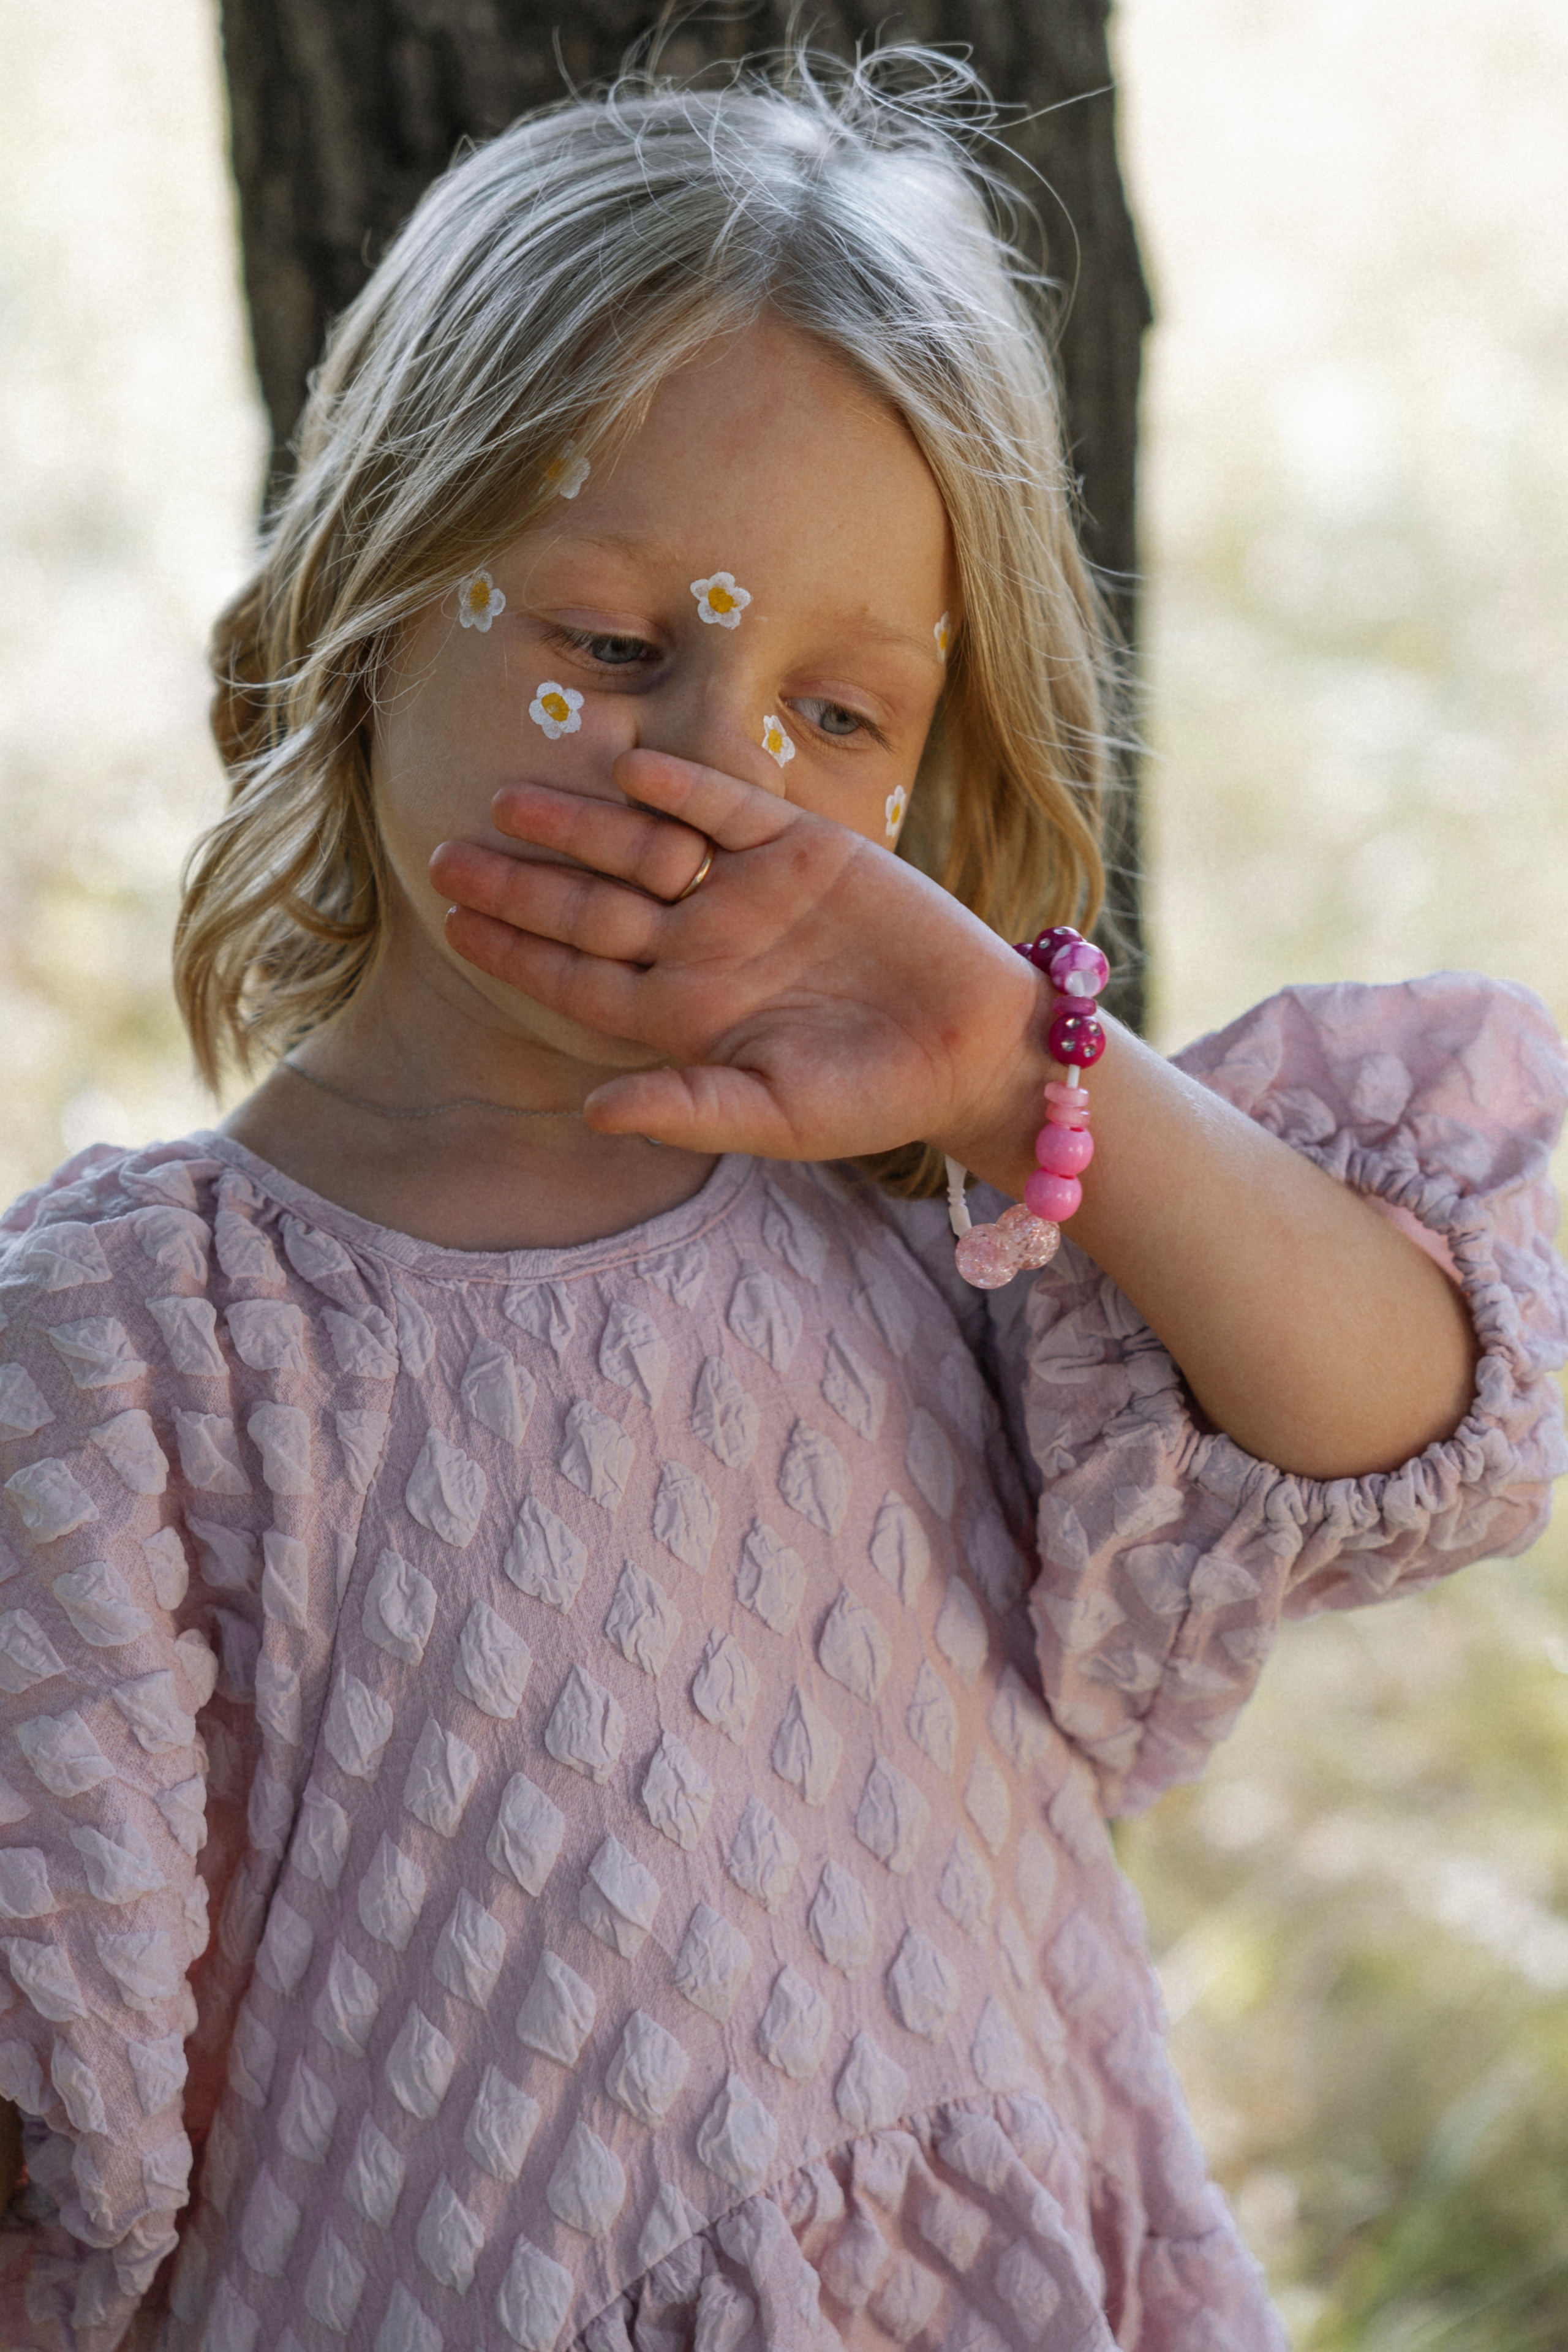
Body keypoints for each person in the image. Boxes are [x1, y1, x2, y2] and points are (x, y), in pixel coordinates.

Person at [0, 49, 1562, 2352]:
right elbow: (55, 2120)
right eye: (615, 649)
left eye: (841, 717)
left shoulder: (960, 1232)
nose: (714, 775)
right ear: (359, 610)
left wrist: (1018, 1070)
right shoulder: (133, 1347)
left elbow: (1426, 1423)